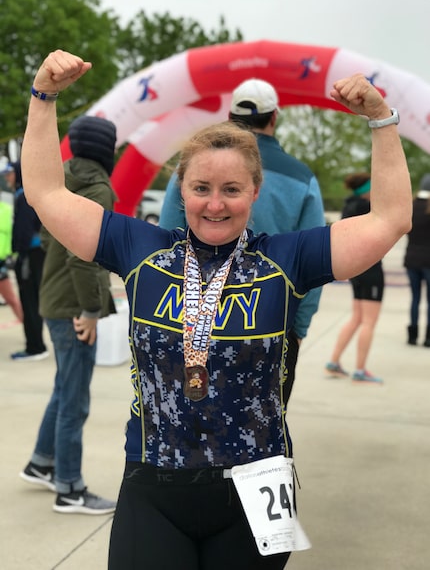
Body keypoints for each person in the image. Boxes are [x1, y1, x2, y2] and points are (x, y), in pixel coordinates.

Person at [21, 49, 411, 569]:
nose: (215, 203)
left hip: (258, 486)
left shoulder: (285, 259)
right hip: (155, 484)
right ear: (181, 191)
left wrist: (381, 120)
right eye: (201, 188)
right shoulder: (142, 251)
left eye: (231, 189)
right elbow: (46, 192)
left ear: (254, 190)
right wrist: (43, 97)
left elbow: (390, 219)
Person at [160, 78, 326, 406]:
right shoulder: (303, 178)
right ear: (274, 117)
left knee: (187, 425)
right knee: (261, 432)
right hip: (272, 323)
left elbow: (167, 242)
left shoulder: (194, 167)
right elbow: (314, 262)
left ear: (231, 115)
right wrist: (298, 327)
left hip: (194, 320)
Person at [19, 115, 118, 515]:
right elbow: (84, 259)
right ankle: (69, 488)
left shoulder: (59, 178)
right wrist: (92, 310)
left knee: (64, 388)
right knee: (74, 399)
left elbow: (52, 238)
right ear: (106, 150)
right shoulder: (97, 189)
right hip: (75, 305)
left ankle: (42, 462)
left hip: (52, 297)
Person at [325, 172, 385, 383]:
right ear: (366, 189)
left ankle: (333, 362)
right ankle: (360, 370)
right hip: (371, 269)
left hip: (356, 270)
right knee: (369, 321)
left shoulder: (349, 205)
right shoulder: (367, 209)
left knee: (357, 317)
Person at [2, 160, 48, 360]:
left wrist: (16, 253)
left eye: (10, 173)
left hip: (30, 255)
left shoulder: (24, 197)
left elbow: (23, 232)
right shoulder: (31, 194)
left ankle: (35, 347)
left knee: (29, 301)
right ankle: (36, 345)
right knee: (32, 301)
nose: (7, 177)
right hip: (36, 254)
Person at [403, 173, 430, 346]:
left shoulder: (410, 206)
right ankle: (428, 338)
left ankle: (412, 335)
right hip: (429, 261)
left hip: (411, 258)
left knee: (415, 298)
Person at [0, 171, 23, 323]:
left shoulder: (7, 209)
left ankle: (31, 334)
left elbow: (15, 233)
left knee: (12, 300)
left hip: (2, 262)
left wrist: (13, 256)